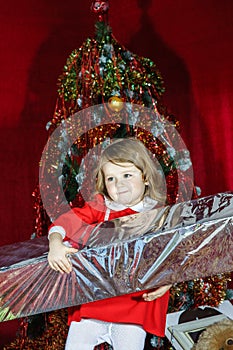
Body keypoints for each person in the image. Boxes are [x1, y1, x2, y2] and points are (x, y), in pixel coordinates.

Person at [48, 138, 171, 350]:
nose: (119, 184)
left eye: (127, 175)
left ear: (146, 178)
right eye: (111, 178)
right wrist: (56, 243)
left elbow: (173, 255)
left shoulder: (159, 215)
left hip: (134, 307)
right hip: (94, 304)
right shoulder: (101, 207)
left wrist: (169, 280)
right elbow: (67, 221)